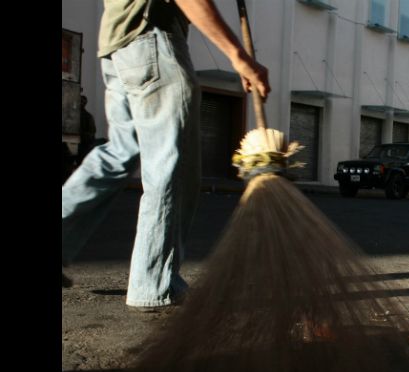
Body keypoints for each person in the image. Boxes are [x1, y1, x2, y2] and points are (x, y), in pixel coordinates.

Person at [62, 0, 271, 311]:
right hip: (153, 40)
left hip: (118, 45)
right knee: (173, 165)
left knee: (118, 154)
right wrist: (238, 56)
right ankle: (154, 282)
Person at [77, 95, 97, 165]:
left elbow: (92, 133)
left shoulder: (88, 116)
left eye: (83, 102)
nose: (81, 103)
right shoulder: (73, 114)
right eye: (80, 101)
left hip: (83, 146)